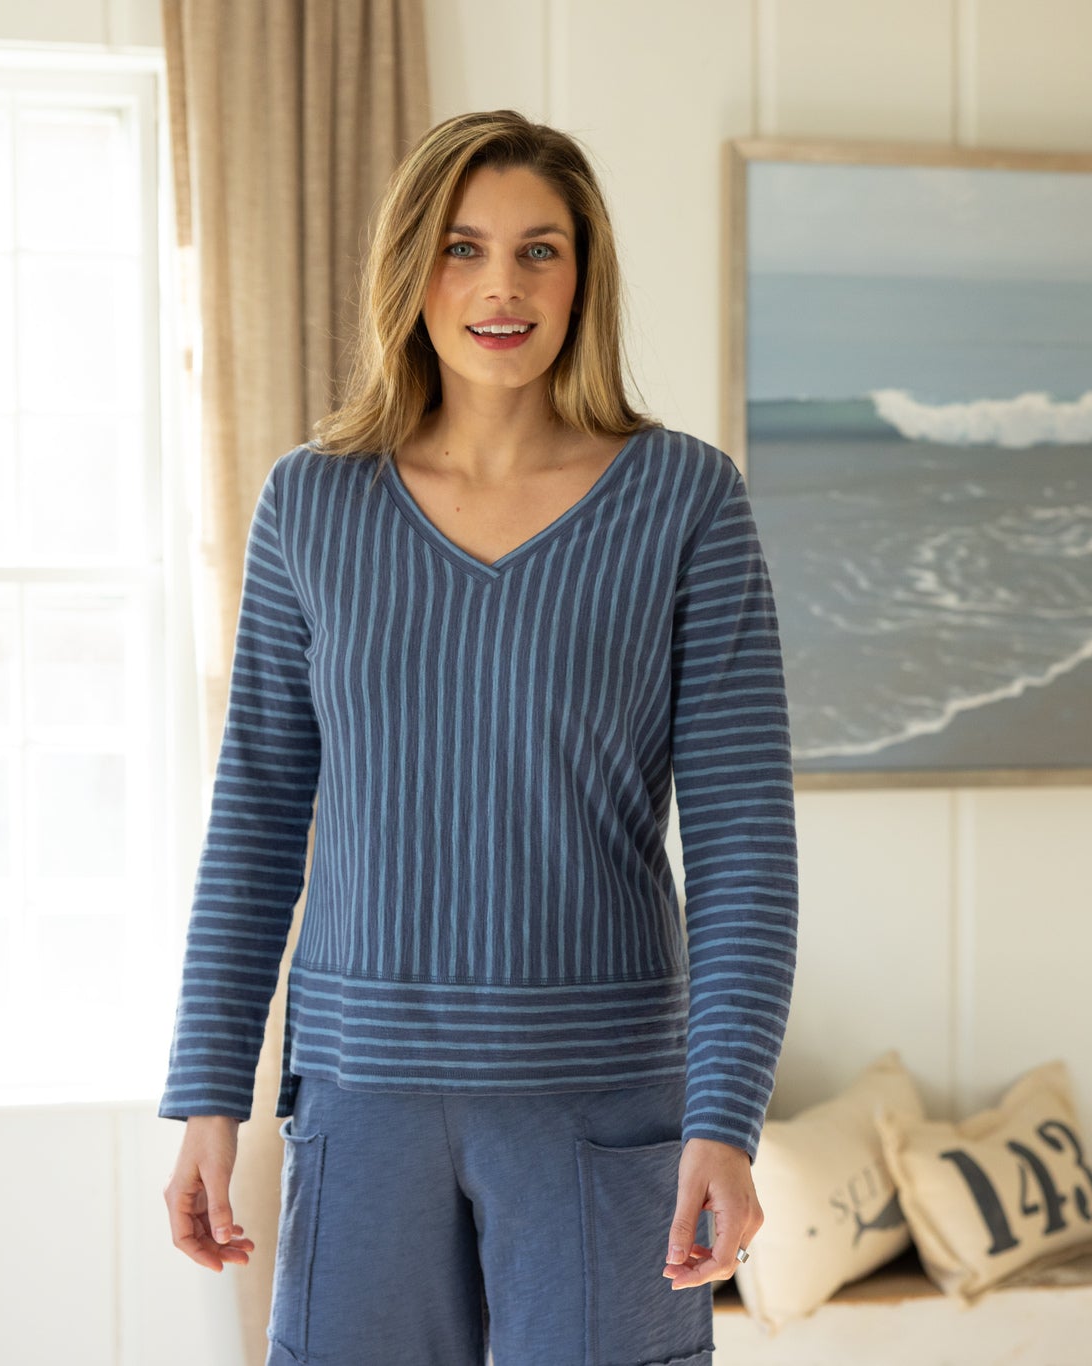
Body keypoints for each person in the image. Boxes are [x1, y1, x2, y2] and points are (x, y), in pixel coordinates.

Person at [156, 107, 799, 1366]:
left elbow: (743, 849)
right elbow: (255, 817)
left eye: (539, 250)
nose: (501, 286)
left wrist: (723, 1117)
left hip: (600, 1109)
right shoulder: (311, 502)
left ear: (583, 274)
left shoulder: (684, 500)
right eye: (463, 247)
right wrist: (205, 1090)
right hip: (361, 1099)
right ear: (412, 268)